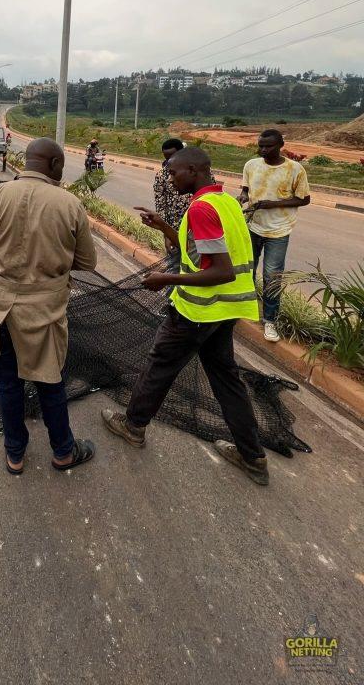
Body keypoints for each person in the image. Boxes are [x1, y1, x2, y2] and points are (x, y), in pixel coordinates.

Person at [103, 146, 269, 486]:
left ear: (194, 170)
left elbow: (220, 271)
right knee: (226, 379)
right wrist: (165, 226)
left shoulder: (202, 210)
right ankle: (253, 457)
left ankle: (133, 426)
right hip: (225, 312)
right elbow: (199, 252)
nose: (170, 179)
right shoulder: (225, 203)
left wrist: (166, 278)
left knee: (159, 366)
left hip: (198, 311)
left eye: (175, 173)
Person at [0, 138, 97, 474]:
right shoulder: (69, 204)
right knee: (50, 381)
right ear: (56, 165)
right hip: (44, 314)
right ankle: (63, 451)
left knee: (7, 384)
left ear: (28, 161)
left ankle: (14, 454)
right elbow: (87, 262)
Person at [239, 129, 310, 342]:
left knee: (272, 277)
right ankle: (245, 309)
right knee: (246, 271)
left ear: (280, 145)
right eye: (260, 145)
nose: (262, 149)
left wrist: (273, 205)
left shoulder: (295, 169)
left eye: (267, 146)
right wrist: (242, 197)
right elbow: (245, 189)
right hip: (252, 226)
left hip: (279, 230)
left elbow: (304, 199)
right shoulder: (251, 165)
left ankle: (270, 320)